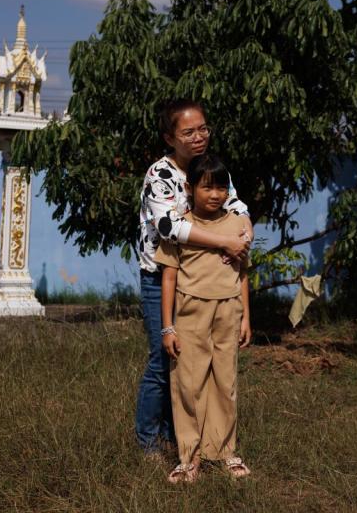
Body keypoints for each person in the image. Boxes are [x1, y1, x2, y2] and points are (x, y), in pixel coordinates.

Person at [136, 99, 252, 456]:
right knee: (164, 356)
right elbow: (170, 226)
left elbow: (238, 208)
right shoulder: (161, 174)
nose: (198, 136)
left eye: (203, 128)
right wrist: (224, 241)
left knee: (195, 363)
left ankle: (185, 438)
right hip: (163, 277)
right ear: (170, 137)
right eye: (188, 132)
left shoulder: (210, 170)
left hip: (207, 281)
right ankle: (149, 441)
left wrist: (243, 236)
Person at [155, 153, 252, 483]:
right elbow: (169, 277)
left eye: (221, 187)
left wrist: (245, 317)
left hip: (228, 312)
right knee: (188, 383)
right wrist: (167, 326)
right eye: (207, 187)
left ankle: (225, 451)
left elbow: (242, 275)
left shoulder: (238, 225)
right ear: (189, 187)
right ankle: (189, 456)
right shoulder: (181, 228)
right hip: (190, 314)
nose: (215, 194)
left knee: (226, 383)